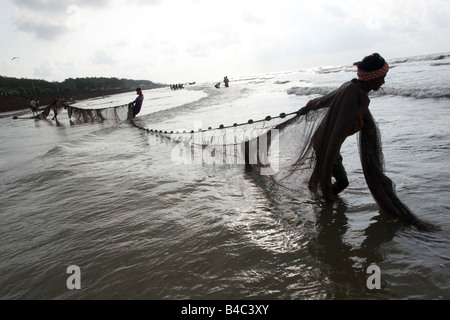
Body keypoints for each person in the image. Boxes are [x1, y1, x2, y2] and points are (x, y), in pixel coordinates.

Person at [298, 53, 389, 199]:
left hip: (325, 141)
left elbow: (324, 100)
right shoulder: (357, 95)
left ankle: (319, 196)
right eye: (381, 78)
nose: (383, 82)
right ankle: (323, 201)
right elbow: (350, 125)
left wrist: (308, 108)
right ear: (372, 78)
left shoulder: (351, 87)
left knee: (330, 176)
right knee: (342, 182)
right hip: (327, 145)